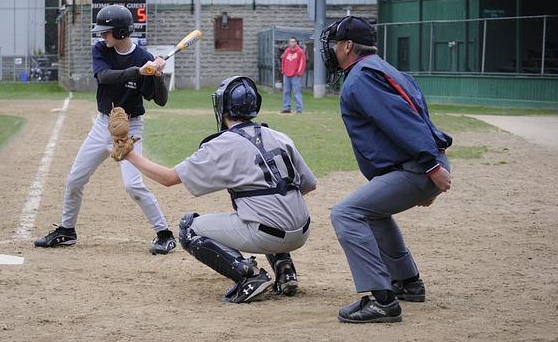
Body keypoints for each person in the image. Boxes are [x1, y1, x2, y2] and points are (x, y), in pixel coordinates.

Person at [116, 76, 317, 303]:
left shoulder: (223, 143)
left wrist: (130, 154)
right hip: (302, 230)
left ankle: (249, 276)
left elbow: (168, 178)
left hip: (267, 234)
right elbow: (309, 185)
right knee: (264, 208)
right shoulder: (279, 136)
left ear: (223, 107)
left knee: (189, 228)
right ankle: (285, 270)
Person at [320, 16, 453, 323]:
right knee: (373, 212)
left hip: (418, 164)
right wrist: (432, 161)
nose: (331, 50)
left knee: (346, 213)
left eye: (335, 44)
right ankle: (408, 281)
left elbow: (401, 119)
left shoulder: (362, 76)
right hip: (419, 163)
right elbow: (419, 113)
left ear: (348, 46)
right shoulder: (383, 68)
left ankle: (382, 300)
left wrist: (429, 166)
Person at [34, 5, 177, 255]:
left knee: (133, 185)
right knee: (75, 179)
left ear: (121, 32)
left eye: (107, 32)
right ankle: (67, 230)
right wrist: (138, 71)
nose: (103, 37)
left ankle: (164, 234)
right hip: (103, 125)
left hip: (130, 128)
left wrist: (157, 76)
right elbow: (104, 76)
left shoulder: (143, 57)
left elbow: (161, 100)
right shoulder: (102, 50)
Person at [280, 37, 306, 114]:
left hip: (295, 75)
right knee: (286, 92)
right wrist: (283, 70)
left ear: (296, 43)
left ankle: (299, 109)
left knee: (297, 92)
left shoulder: (300, 52)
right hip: (286, 74)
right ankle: (286, 108)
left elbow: (302, 62)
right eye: (291, 42)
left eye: (293, 42)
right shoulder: (286, 51)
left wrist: (299, 72)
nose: (292, 43)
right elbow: (283, 61)